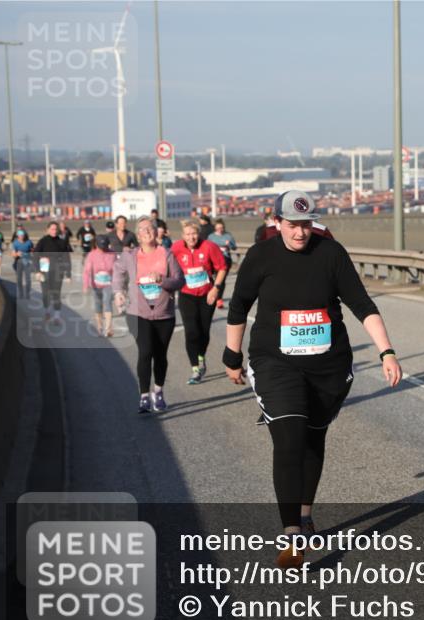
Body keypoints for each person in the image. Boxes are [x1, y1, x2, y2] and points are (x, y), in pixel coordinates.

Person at [224, 190, 402, 568]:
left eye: (306, 225)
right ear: (277, 222)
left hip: (328, 366)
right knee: (289, 435)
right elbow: (239, 306)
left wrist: (387, 351)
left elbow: (361, 304)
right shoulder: (261, 256)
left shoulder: (331, 254)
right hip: (276, 363)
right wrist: (232, 355)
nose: (300, 233)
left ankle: (304, 512)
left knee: (313, 436)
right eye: (292, 225)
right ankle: (291, 535)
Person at [112, 216, 184, 413]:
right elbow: (118, 273)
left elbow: (179, 281)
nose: (146, 232)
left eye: (150, 228)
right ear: (138, 235)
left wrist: (163, 280)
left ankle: (158, 392)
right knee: (145, 352)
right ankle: (144, 396)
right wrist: (118, 292)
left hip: (164, 313)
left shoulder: (167, 254)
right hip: (137, 312)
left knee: (160, 355)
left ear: (156, 232)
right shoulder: (130, 256)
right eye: (142, 229)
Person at [173, 219, 227, 384]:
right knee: (191, 332)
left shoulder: (209, 247)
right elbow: (167, 265)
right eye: (188, 234)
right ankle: (195, 368)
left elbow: (222, 268)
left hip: (207, 294)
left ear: (199, 234)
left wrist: (216, 288)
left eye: (194, 233)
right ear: (183, 236)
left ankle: (201, 356)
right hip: (186, 295)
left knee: (203, 331)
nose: (191, 237)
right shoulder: (176, 248)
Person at [33, 221, 73, 323]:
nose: (54, 231)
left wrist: (68, 274)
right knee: (46, 294)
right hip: (44, 271)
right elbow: (36, 256)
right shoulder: (42, 241)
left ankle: (57, 316)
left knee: (56, 294)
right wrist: (37, 271)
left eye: (56, 229)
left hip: (57, 271)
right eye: (52, 229)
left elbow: (66, 258)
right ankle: (47, 312)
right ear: (47, 230)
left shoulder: (61, 242)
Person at [83, 235, 117, 337]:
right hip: (95, 284)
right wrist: (86, 285)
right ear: (96, 244)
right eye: (101, 246)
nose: (103, 248)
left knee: (107, 303)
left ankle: (108, 328)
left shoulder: (112, 254)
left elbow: (117, 269)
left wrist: (118, 284)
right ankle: (99, 326)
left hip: (108, 284)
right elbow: (87, 271)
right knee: (98, 306)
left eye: (105, 246)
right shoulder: (92, 255)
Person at [11, 229, 34, 298]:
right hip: (18, 262)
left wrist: (29, 254)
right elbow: (13, 254)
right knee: (19, 279)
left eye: (22, 235)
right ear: (17, 236)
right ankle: (21, 293)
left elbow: (33, 251)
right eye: (20, 235)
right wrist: (17, 254)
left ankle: (27, 293)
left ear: (24, 235)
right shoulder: (15, 243)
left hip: (27, 262)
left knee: (28, 279)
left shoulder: (29, 242)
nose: (21, 237)